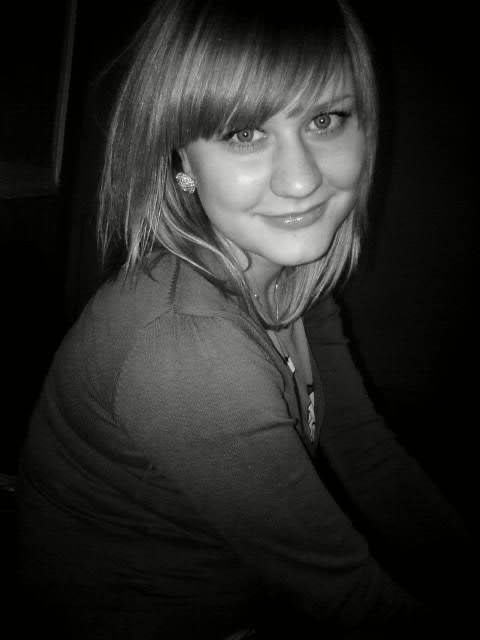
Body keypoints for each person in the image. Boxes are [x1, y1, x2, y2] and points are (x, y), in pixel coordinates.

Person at [15, 0, 475, 638]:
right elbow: (343, 594)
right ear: (181, 159)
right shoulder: (188, 351)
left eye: (324, 119)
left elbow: (364, 454)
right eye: (244, 133)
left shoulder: (289, 275)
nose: (300, 180)